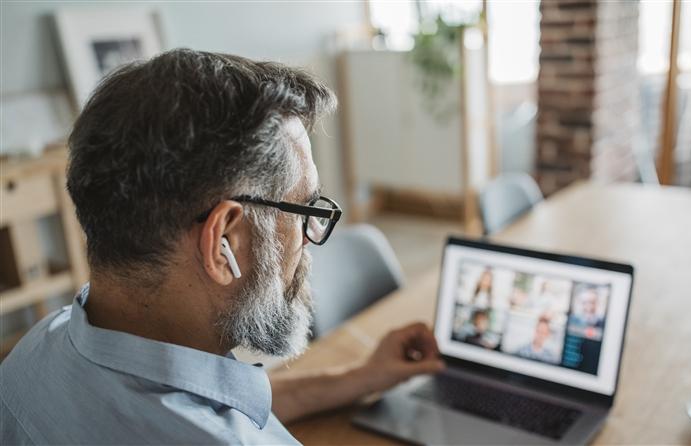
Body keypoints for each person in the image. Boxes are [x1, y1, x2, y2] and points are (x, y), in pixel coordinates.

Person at [0, 49, 445, 445]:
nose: (310, 238)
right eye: (304, 209)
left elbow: (208, 405)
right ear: (223, 243)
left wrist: (359, 378)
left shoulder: (36, 350)